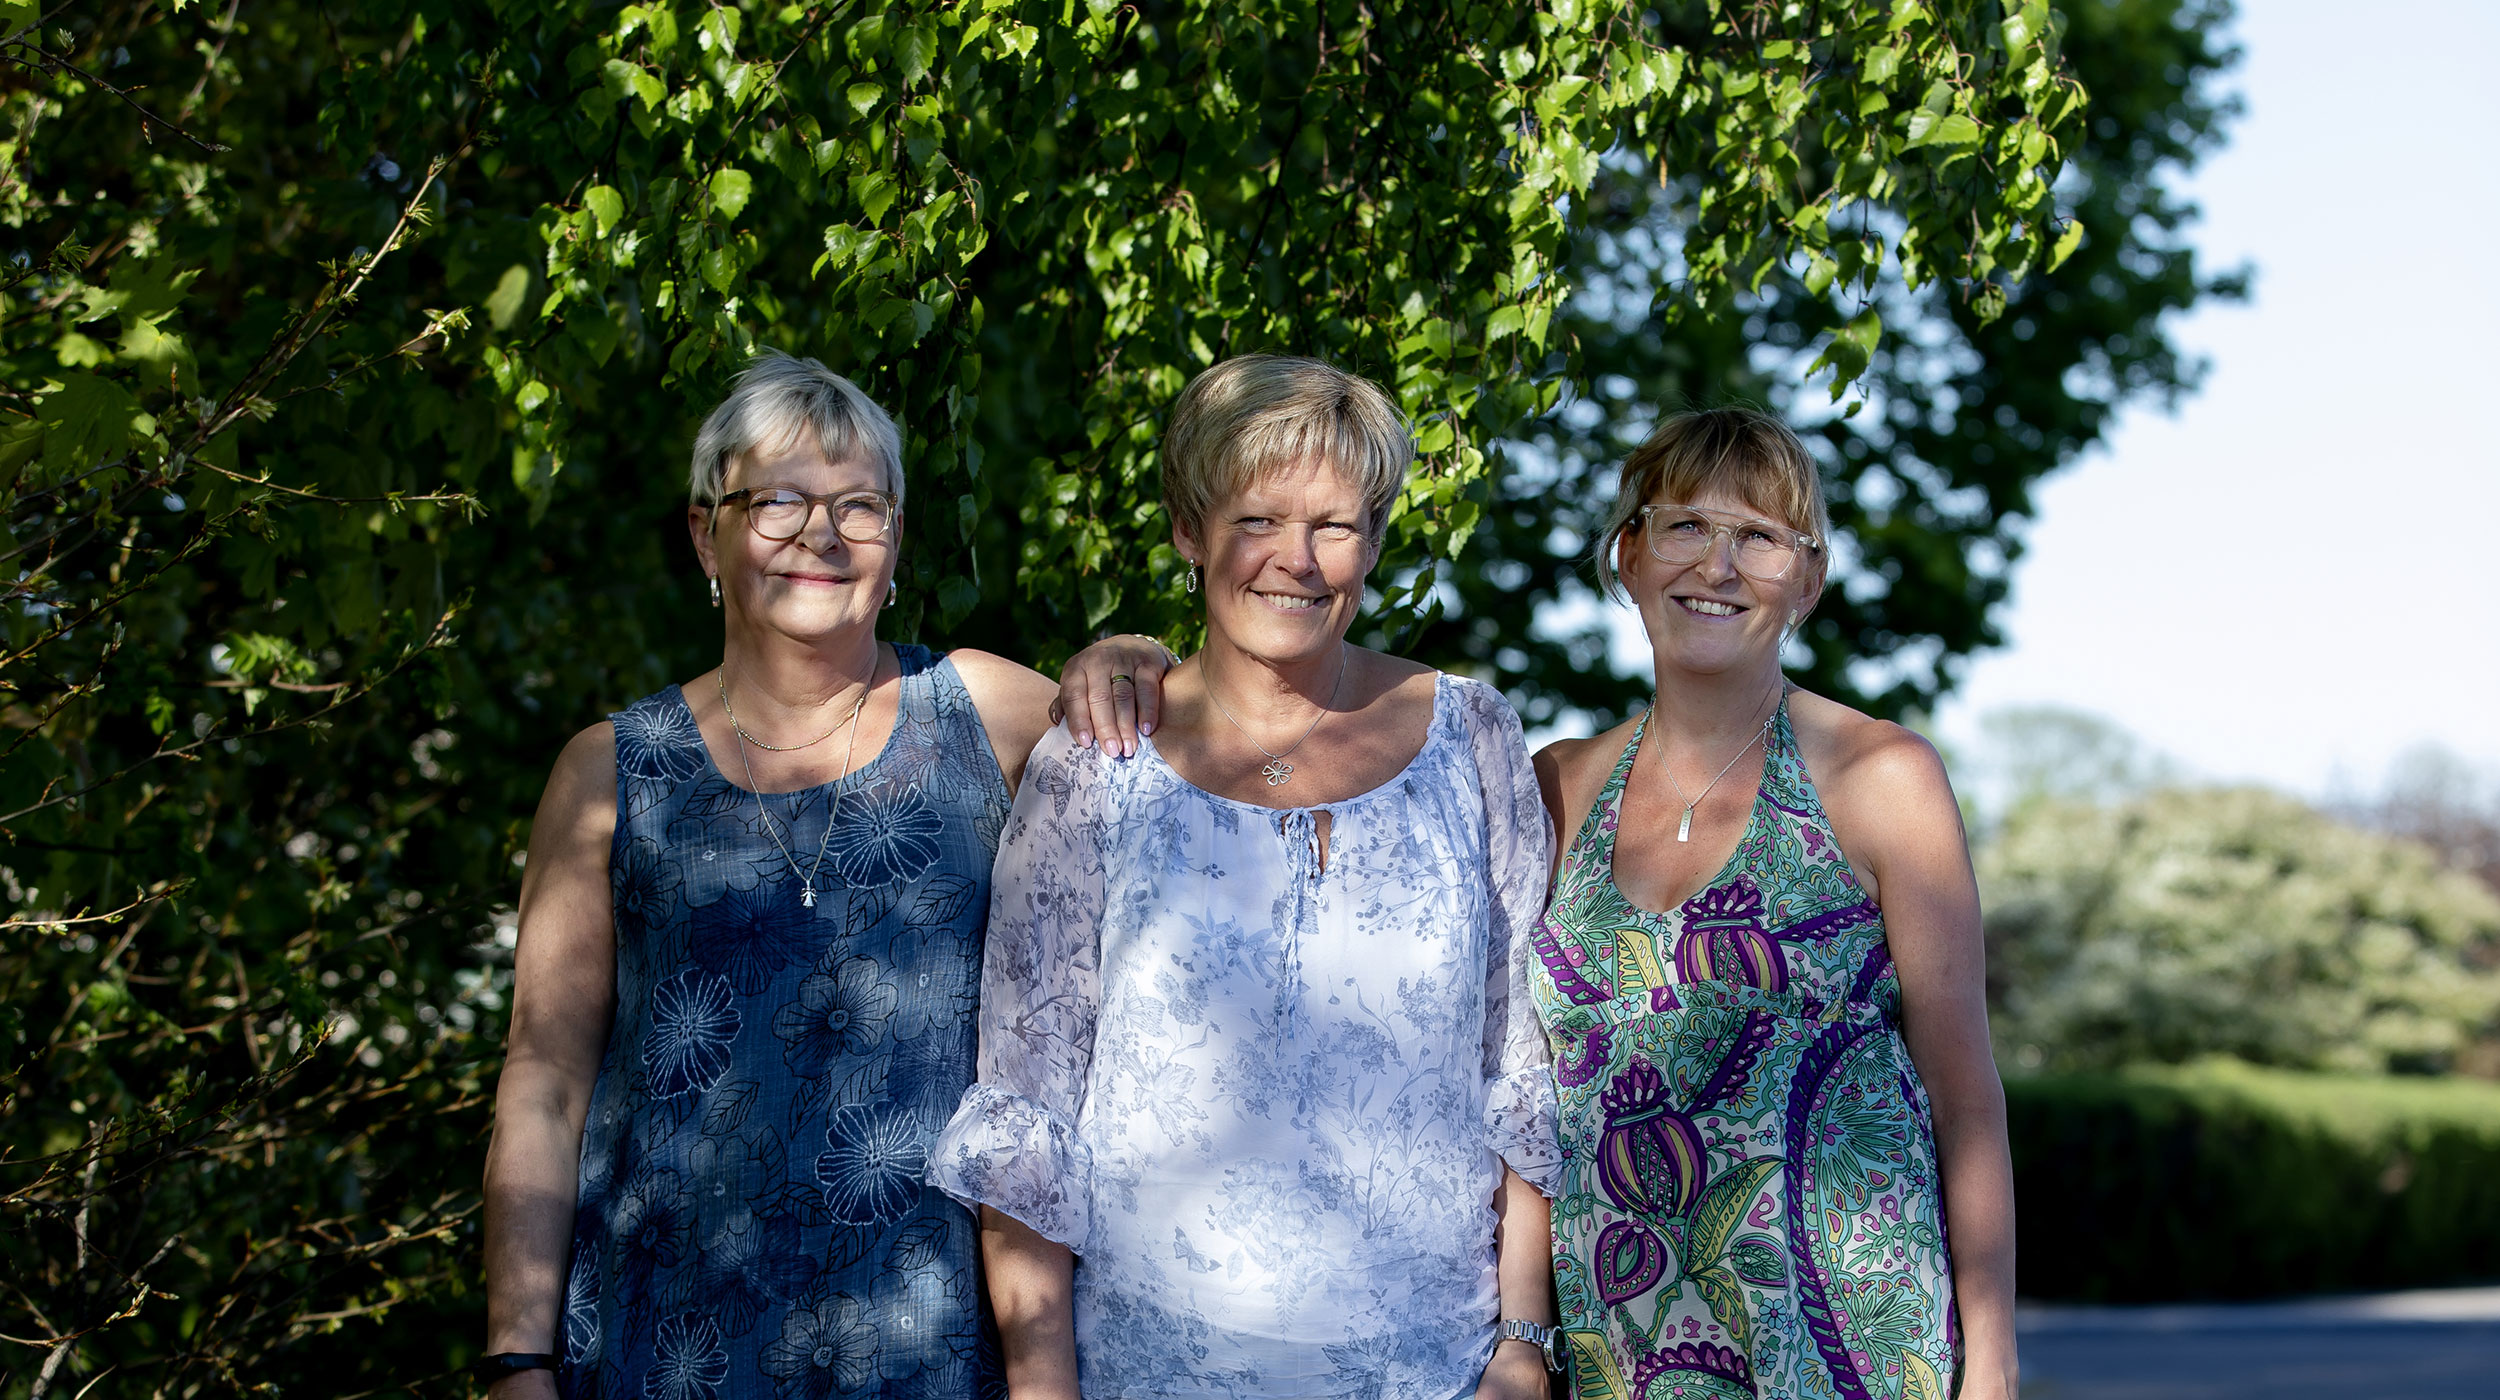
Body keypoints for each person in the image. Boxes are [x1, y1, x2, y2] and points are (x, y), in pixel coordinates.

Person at [928, 355, 1566, 1400]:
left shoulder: (1472, 735)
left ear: (1375, 540)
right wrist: (1043, 1387)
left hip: (1435, 1370)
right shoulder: (1096, 758)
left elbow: (1520, 1058)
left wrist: (1524, 1339)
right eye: (1258, 520)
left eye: (1335, 524)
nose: (1297, 560)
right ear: (1190, 529)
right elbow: (1028, 1102)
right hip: (1150, 1369)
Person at [479, 353, 1056, 1400]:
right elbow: (545, 1081)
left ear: (896, 538)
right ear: (707, 533)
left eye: (859, 505)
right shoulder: (609, 773)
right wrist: (517, 1357)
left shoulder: (990, 712)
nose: (821, 534)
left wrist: (1132, 656)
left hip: (933, 1342)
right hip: (665, 1343)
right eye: (779, 500)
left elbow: (1194, 757)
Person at [1526, 407, 2016, 1399]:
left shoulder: (1881, 776)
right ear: (1628, 555)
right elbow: (1521, 1099)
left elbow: (1965, 1095)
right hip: (1619, 1348)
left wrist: (1995, 1364)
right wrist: (1521, 1336)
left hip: (1847, 1347)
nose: (1717, 566)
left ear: (1808, 579)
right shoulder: (1556, 786)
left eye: (1759, 537)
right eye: (1685, 526)